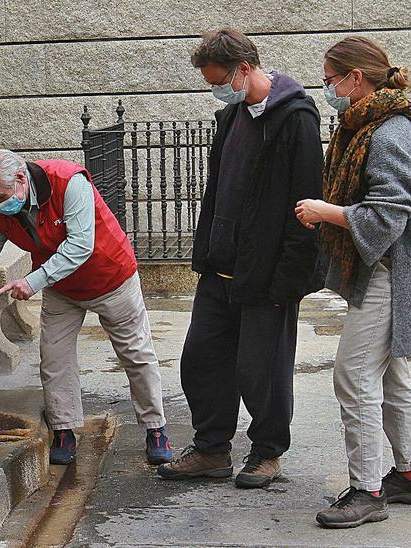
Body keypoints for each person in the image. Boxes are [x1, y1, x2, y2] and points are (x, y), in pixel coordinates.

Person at [0, 149, 173, 466]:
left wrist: (34, 281)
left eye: (2, 196)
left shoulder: (68, 182)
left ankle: (155, 429)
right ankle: (63, 429)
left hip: (111, 277)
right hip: (63, 289)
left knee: (136, 354)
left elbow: (80, 244)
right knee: (54, 358)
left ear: (21, 178)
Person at [156, 28, 323, 489]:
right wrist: (206, 252)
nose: (216, 89)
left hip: (267, 275)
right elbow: (217, 192)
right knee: (202, 360)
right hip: (220, 269)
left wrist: (290, 279)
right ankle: (211, 450)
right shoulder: (230, 117)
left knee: (262, 371)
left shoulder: (296, 120)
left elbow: (308, 206)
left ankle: (268, 452)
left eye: (218, 80)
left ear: (244, 69)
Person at [295, 36, 411, 529]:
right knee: (389, 374)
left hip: (387, 273)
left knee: (353, 378)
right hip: (381, 270)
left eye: (332, 79)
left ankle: (367, 490)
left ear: (357, 78)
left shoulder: (390, 131)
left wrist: (327, 212)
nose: (328, 89)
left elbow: (392, 210)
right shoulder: (368, 124)